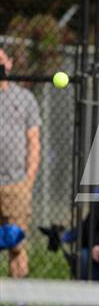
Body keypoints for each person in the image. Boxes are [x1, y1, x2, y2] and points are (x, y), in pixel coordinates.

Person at [0, 48, 41, 278]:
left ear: (10, 64)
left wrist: (28, 180)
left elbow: (34, 142)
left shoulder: (25, 98)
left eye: (1, 61)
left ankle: (20, 299)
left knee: (16, 245)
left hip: (16, 184)